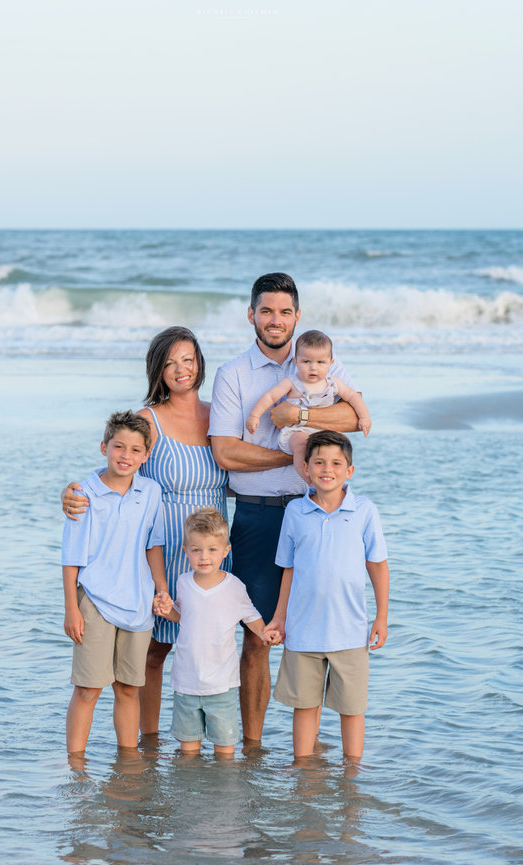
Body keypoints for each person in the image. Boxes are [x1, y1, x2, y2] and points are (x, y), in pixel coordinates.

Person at [209, 272, 360, 744]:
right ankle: (253, 748)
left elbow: (355, 416)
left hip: (318, 513)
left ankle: (313, 753)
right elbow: (226, 452)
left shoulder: (321, 365)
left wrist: (301, 418)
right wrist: (295, 454)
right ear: (251, 315)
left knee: (317, 633)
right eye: (267, 311)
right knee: (256, 635)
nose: (276, 320)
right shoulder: (233, 374)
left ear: (298, 316)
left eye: (285, 311)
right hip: (257, 515)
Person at [61, 327, 229, 736]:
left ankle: (212, 740)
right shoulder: (146, 420)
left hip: (206, 548)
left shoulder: (222, 415)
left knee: (211, 647)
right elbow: (114, 470)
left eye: (188, 359)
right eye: (169, 362)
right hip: (160, 547)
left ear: (200, 362)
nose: (180, 370)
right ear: (157, 369)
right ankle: (148, 743)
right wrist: (70, 493)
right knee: (153, 652)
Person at [265, 430, 389, 761]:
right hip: (303, 632)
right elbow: (288, 570)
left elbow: (377, 566)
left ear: (349, 470)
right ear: (305, 468)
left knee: (352, 709)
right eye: (319, 462)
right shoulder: (295, 512)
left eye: (336, 463)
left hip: (350, 632)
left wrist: (381, 617)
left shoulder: (364, 511)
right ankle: (303, 772)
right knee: (304, 707)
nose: (327, 469)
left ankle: (353, 777)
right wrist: (279, 617)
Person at [62, 411, 167, 755]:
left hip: (138, 603)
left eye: (136, 450)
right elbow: (71, 558)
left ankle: (129, 762)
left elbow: (154, 545)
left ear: (146, 455)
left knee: (128, 688)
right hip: (94, 602)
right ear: (104, 447)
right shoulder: (84, 494)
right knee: (88, 689)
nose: (126, 456)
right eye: (118, 447)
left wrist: (161, 589)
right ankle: (75, 766)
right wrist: (71, 610)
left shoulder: (151, 492)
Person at [154, 508, 270, 758]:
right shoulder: (183, 582)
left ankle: (222, 795)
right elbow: (183, 616)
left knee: (225, 753)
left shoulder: (234, 587)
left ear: (226, 550)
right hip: (186, 682)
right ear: (186, 552)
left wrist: (267, 634)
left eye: (212, 550)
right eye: (196, 550)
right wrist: (167, 611)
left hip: (222, 686)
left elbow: (252, 617)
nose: (204, 557)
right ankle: (191, 794)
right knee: (187, 752)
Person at [246, 329, 371, 481]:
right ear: (295, 361)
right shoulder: (292, 382)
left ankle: (334, 483)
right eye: (306, 361)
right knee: (302, 445)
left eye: (320, 362)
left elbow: (353, 397)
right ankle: (310, 482)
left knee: (343, 442)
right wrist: (254, 415)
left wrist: (364, 417)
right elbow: (270, 396)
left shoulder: (332, 383)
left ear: (331, 363)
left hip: (323, 429)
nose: (313, 367)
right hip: (296, 431)